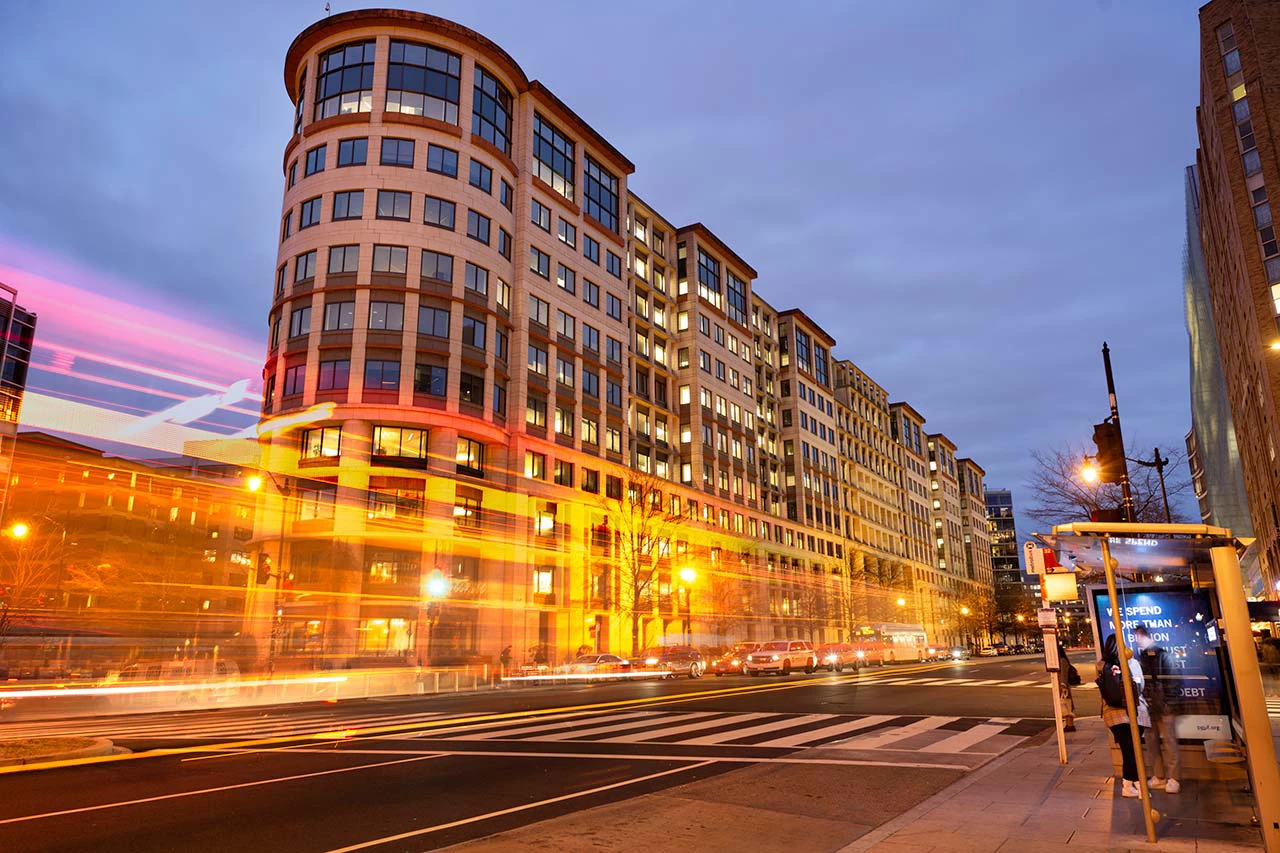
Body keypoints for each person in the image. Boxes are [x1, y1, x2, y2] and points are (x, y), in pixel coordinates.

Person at [1099, 633, 1150, 798]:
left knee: (1127, 750)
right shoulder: (1130, 662)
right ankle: (1139, 786)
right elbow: (1139, 686)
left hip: (1112, 715)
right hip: (1130, 713)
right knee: (1133, 751)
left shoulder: (1100, 665)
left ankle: (1128, 785)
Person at [1135, 625, 1180, 794]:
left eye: (1139, 636)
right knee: (1152, 742)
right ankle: (1159, 776)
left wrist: (1169, 703)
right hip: (1149, 706)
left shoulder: (1162, 655)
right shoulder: (1143, 657)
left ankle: (1173, 778)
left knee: (1169, 742)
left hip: (1163, 706)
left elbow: (1172, 680)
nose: (1137, 640)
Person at [1058, 638, 1077, 732]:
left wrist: (1063, 685)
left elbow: (1063, 674)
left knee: (1066, 705)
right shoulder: (1062, 660)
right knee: (1065, 705)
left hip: (1063, 686)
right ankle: (1069, 724)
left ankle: (1070, 725)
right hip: (1063, 685)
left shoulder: (1062, 661)